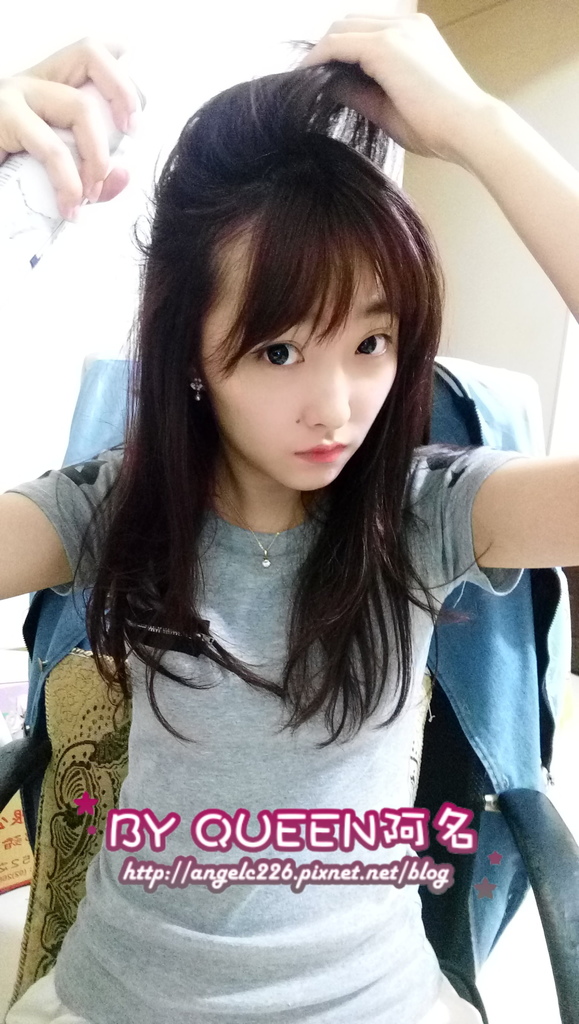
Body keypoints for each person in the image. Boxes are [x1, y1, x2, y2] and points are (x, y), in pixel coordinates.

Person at [1, 13, 578, 1024]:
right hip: (123, 997)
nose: (337, 407)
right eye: (278, 350)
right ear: (191, 350)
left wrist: (479, 126)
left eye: (371, 342)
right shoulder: (116, 508)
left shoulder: (427, 512)